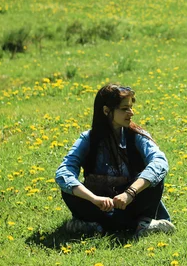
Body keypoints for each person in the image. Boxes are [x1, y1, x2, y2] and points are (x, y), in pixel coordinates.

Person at [55, 83, 175, 237]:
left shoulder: (138, 135)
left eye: (131, 107)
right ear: (106, 111)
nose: (131, 113)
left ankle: (97, 226)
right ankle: (124, 226)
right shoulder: (88, 139)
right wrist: (94, 199)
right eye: (124, 109)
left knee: (154, 177)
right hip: (99, 206)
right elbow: (64, 171)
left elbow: (159, 162)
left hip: (130, 205)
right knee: (68, 187)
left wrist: (130, 193)